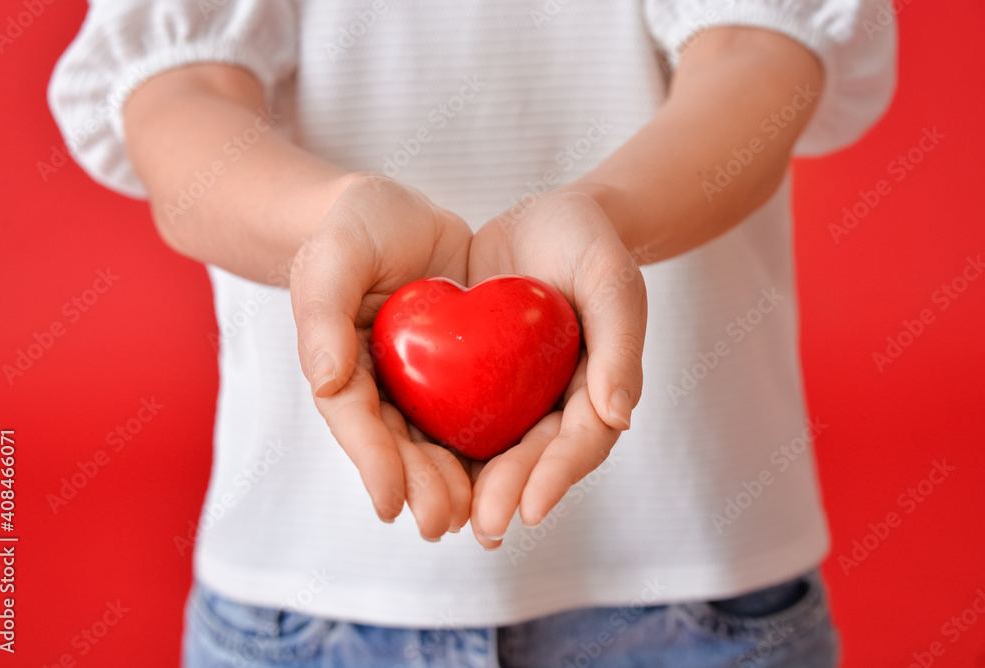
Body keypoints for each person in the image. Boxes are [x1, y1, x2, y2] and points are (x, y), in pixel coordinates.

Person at [49, 1, 896, 665]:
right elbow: (176, 93)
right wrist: (334, 225)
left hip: (700, 587)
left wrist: (605, 216)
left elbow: (761, 54)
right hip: (301, 607)